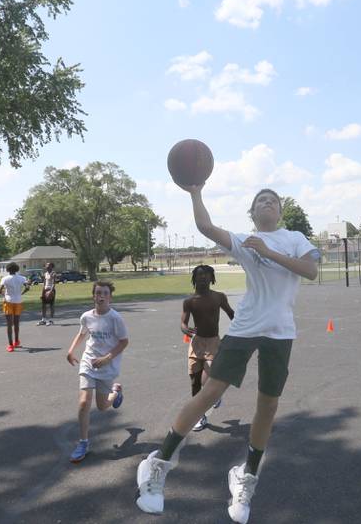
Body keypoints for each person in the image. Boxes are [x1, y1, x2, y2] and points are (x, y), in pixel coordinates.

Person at [136, 186, 319, 523]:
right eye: (261, 200)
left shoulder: (294, 237)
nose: (268, 203)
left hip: (280, 331)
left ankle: (245, 476)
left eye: (274, 201)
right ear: (253, 213)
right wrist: (195, 192)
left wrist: (269, 251)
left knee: (269, 404)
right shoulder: (245, 241)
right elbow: (206, 228)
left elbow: (310, 270)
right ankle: (157, 463)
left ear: (280, 212)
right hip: (246, 327)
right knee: (210, 392)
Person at [66, 280, 128, 463]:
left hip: (107, 366)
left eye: (105, 293)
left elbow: (124, 342)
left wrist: (107, 358)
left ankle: (115, 394)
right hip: (89, 363)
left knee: (101, 406)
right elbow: (82, 333)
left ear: (110, 297)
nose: (101, 296)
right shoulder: (86, 316)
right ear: (93, 295)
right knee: (84, 402)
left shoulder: (115, 318)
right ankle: (83, 442)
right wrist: (71, 351)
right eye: (98, 293)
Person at [181, 264, 235, 431]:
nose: (202, 277)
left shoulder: (219, 297)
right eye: (199, 275)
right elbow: (183, 322)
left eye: (206, 275)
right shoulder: (189, 301)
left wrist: (240, 332)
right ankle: (200, 416)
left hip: (213, 341)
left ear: (212, 278)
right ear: (194, 279)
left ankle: (213, 394)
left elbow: (232, 314)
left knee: (211, 373)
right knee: (195, 381)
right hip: (196, 342)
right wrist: (185, 329)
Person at [0, 262, 30, 352]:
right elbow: (27, 287)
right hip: (18, 301)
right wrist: (21, 293)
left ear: (8, 269)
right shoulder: (22, 278)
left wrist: (4, 295)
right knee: (16, 323)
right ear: (16, 269)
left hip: (8, 301)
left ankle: (10, 345)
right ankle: (16, 341)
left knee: (9, 324)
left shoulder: (5, 278)